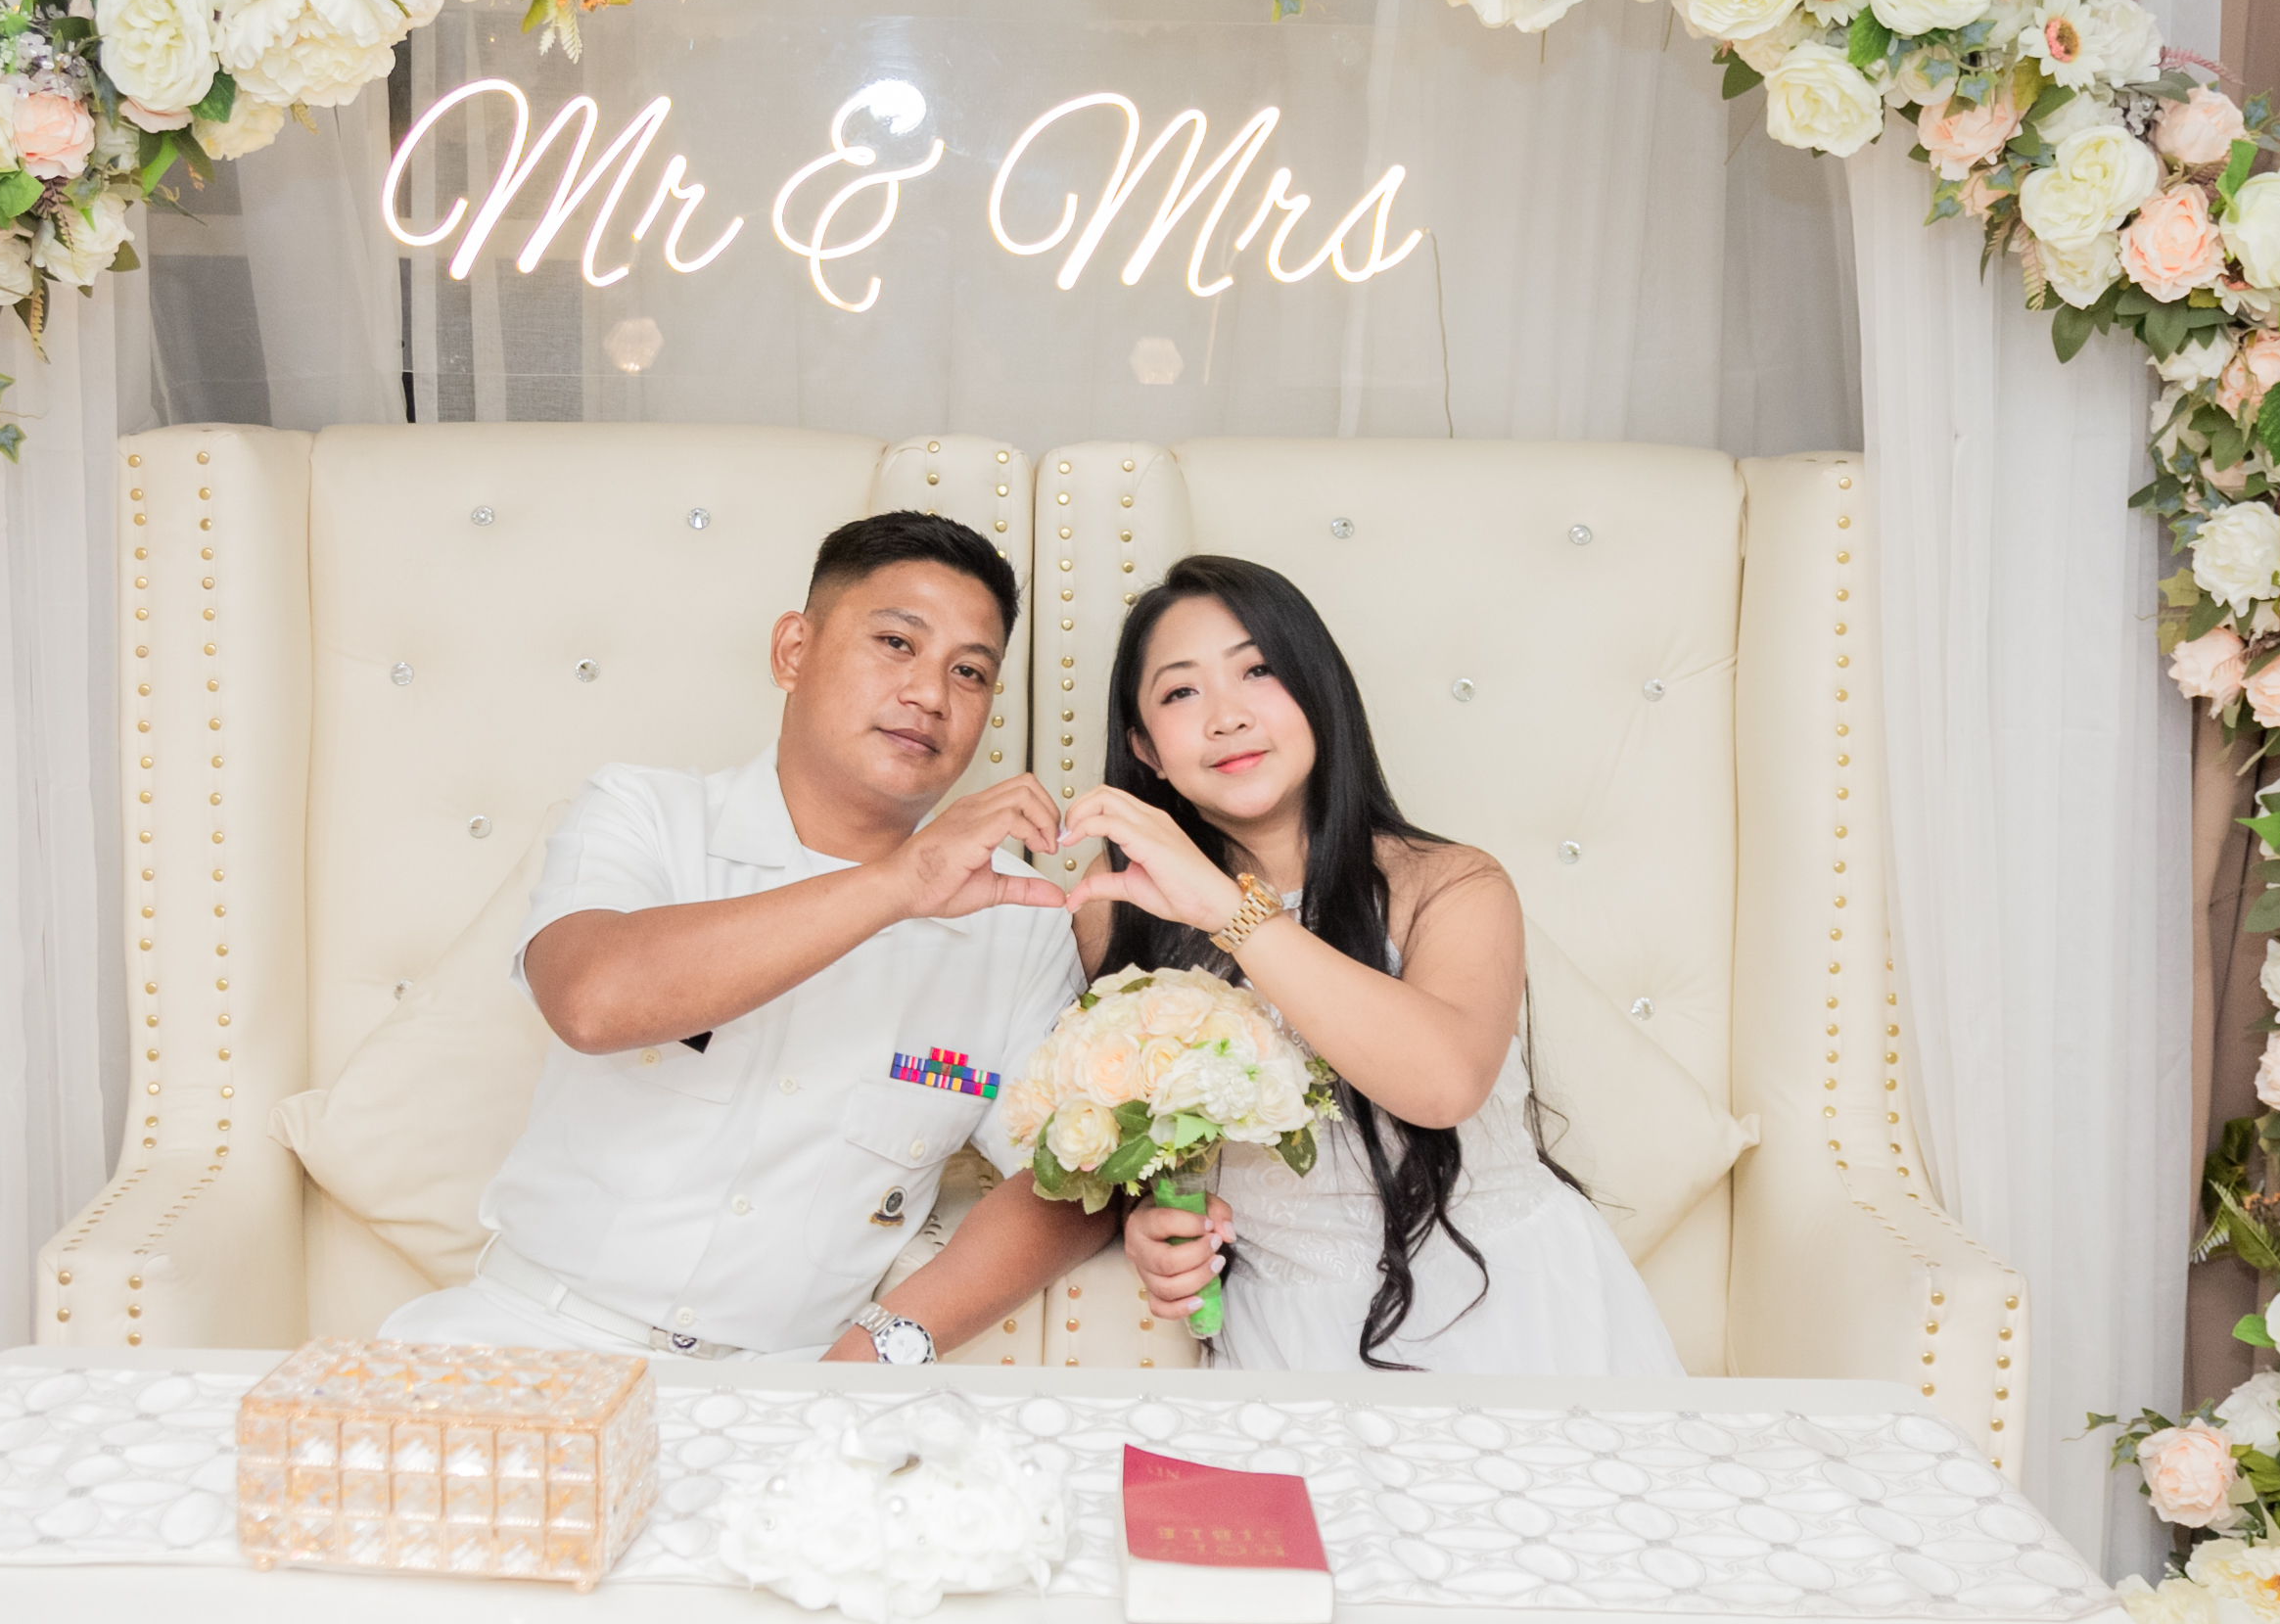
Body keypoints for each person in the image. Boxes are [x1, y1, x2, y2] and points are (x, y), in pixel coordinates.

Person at [381, 511, 1116, 1364]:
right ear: (793, 652)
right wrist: (899, 884)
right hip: (527, 1339)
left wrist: (886, 1345)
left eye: (970, 672)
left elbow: (1076, 1180)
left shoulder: (1016, 933)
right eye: (895, 643)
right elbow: (591, 999)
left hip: (785, 1392)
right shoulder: (647, 816)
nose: (930, 695)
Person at [1065, 556, 1682, 1374]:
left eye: (1260, 670)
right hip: (1285, 1333)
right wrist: (1150, 1223)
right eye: (1181, 692)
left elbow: (1443, 1083)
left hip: (1510, 1309)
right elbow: (1146, 1136)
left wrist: (1227, 909)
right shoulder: (1118, 909)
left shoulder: (1455, 883)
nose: (1225, 717)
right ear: (1145, 747)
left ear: (1320, 691)